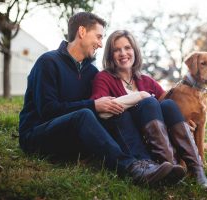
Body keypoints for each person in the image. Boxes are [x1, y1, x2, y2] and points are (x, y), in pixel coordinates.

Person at [18, 12, 176, 185]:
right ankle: (130, 167)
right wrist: (93, 105)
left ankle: (147, 164)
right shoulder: (48, 62)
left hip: (73, 139)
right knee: (85, 114)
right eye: (99, 37)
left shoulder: (91, 72)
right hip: (37, 137)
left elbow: (102, 111)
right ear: (82, 32)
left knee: (115, 109)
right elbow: (47, 110)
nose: (101, 44)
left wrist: (109, 106)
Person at [90, 30, 207, 189]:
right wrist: (140, 96)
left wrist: (184, 121)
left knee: (168, 105)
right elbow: (99, 109)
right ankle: (170, 165)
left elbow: (170, 105)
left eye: (127, 48)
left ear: (134, 51)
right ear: (110, 55)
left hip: (156, 141)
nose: (123, 53)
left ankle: (197, 169)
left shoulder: (145, 80)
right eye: (116, 50)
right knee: (149, 102)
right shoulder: (104, 78)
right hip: (130, 140)